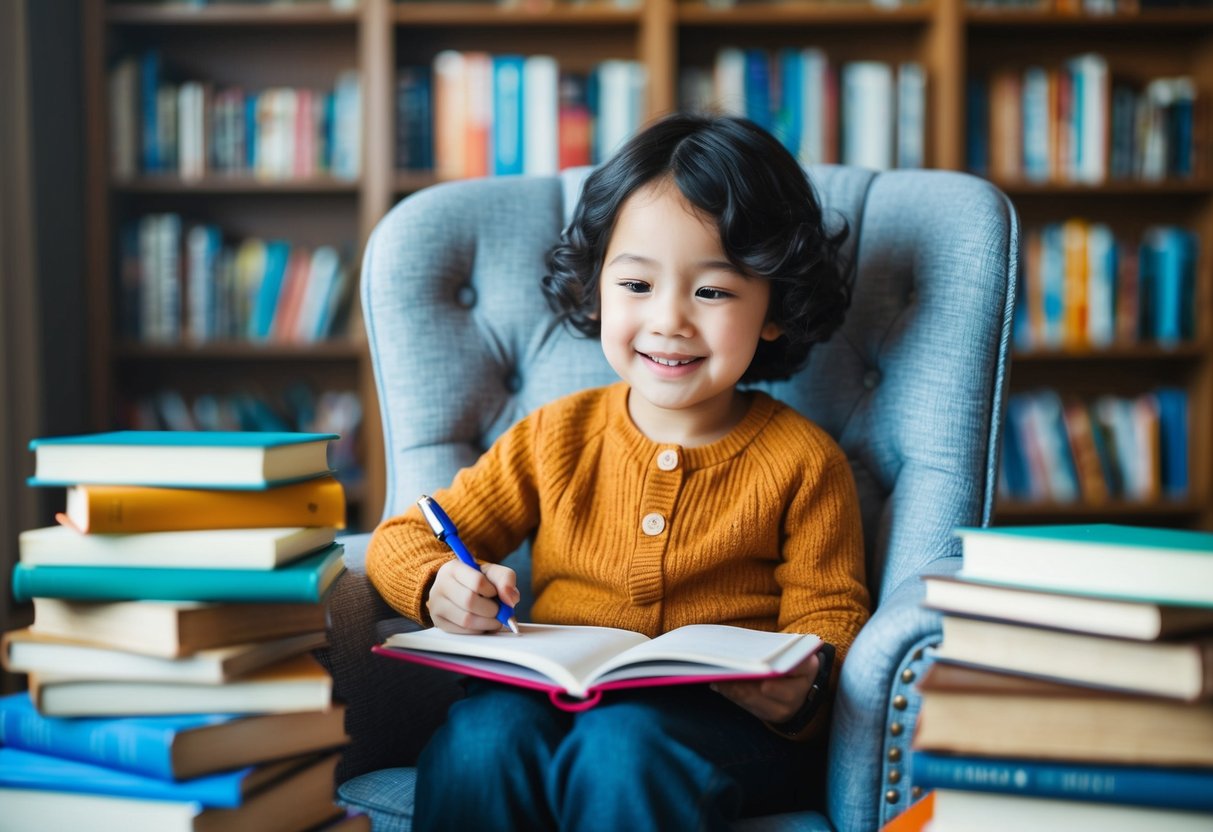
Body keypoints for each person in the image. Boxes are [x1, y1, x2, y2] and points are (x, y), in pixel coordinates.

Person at [366, 112, 871, 832]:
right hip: (548, 701)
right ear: (597, 287)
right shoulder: (555, 435)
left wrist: (805, 683)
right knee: (478, 738)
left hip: (718, 730)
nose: (668, 320)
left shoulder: (803, 460)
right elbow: (405, 539)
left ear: (774, 309)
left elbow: (831, 613)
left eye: (714, 292)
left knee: (621, 747)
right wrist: (437, 584)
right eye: (635, 284)